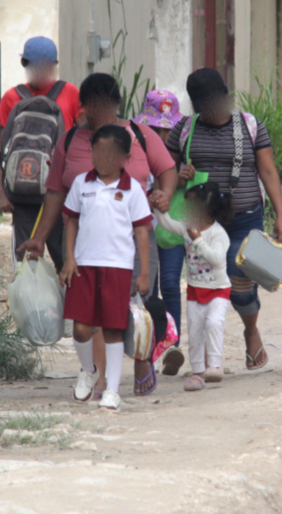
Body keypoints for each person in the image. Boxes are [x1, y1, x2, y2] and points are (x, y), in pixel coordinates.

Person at [18, 74, 178, 397]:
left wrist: (166, 195)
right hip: (84, 241)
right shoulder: (69, 141)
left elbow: (167, 169)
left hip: (132, 237)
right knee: (92, 312)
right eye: (90, 105)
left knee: (135, 302)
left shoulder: (140, 135)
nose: (96, 112)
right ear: (84, 106)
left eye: (103, 105)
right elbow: (55, 193)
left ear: (116, 104)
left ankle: (142, 358)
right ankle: (100, 376)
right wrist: (40, 237)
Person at [167, 69, 282, 372]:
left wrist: (281, 214)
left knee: (239, 281)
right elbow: (165, 171)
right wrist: (178, 176)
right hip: (201, 218)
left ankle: (250, 329)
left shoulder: (250, 126)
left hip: (245, 216)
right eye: (202, 106)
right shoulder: (184, 129)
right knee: (203, 281)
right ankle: (208, 354)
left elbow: (268, 170)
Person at [60, 125, 153, 412]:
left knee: (113, 329)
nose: (103, 159)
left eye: (110, 153)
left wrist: (144, 272)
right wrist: (69, 258)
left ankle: (112, 389)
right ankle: (88, 370)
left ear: (126, 157)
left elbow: (141, 232)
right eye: (97, 152)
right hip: (83, 266)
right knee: (80, 327)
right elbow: (72, 222)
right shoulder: (81, 184)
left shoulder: (133, 190)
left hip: (118, 267)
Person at [0, 36, 83, 267]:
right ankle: (36, 293)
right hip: (28, 192)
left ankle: (60, 292)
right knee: (29, 261)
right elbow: (2, 148)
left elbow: (1, 150)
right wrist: (2, 192)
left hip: (53, 191)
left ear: (23, 62)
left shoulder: (69, 93)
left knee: (61, 258)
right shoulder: (11, 97)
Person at [152, 182, 232, 392]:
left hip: (218, 290)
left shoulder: (218, 233)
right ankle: (197, 373)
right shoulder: (187, 228)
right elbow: (168, 224)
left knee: (214, 322)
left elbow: (216, 259)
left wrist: (198, 241)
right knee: (195, 331)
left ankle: (214, 365)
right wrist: (157, 208)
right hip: (195, 291)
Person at [134, 89, 186, 376]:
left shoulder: (184, 149)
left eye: (169, 130)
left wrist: (182, 177)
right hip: (142, 231)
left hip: (171, 228)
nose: (164, 136)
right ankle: (148, 350)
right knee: (147, 288)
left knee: (170, 283)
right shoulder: (134, 146)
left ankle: (171, 346)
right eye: (157, 129)